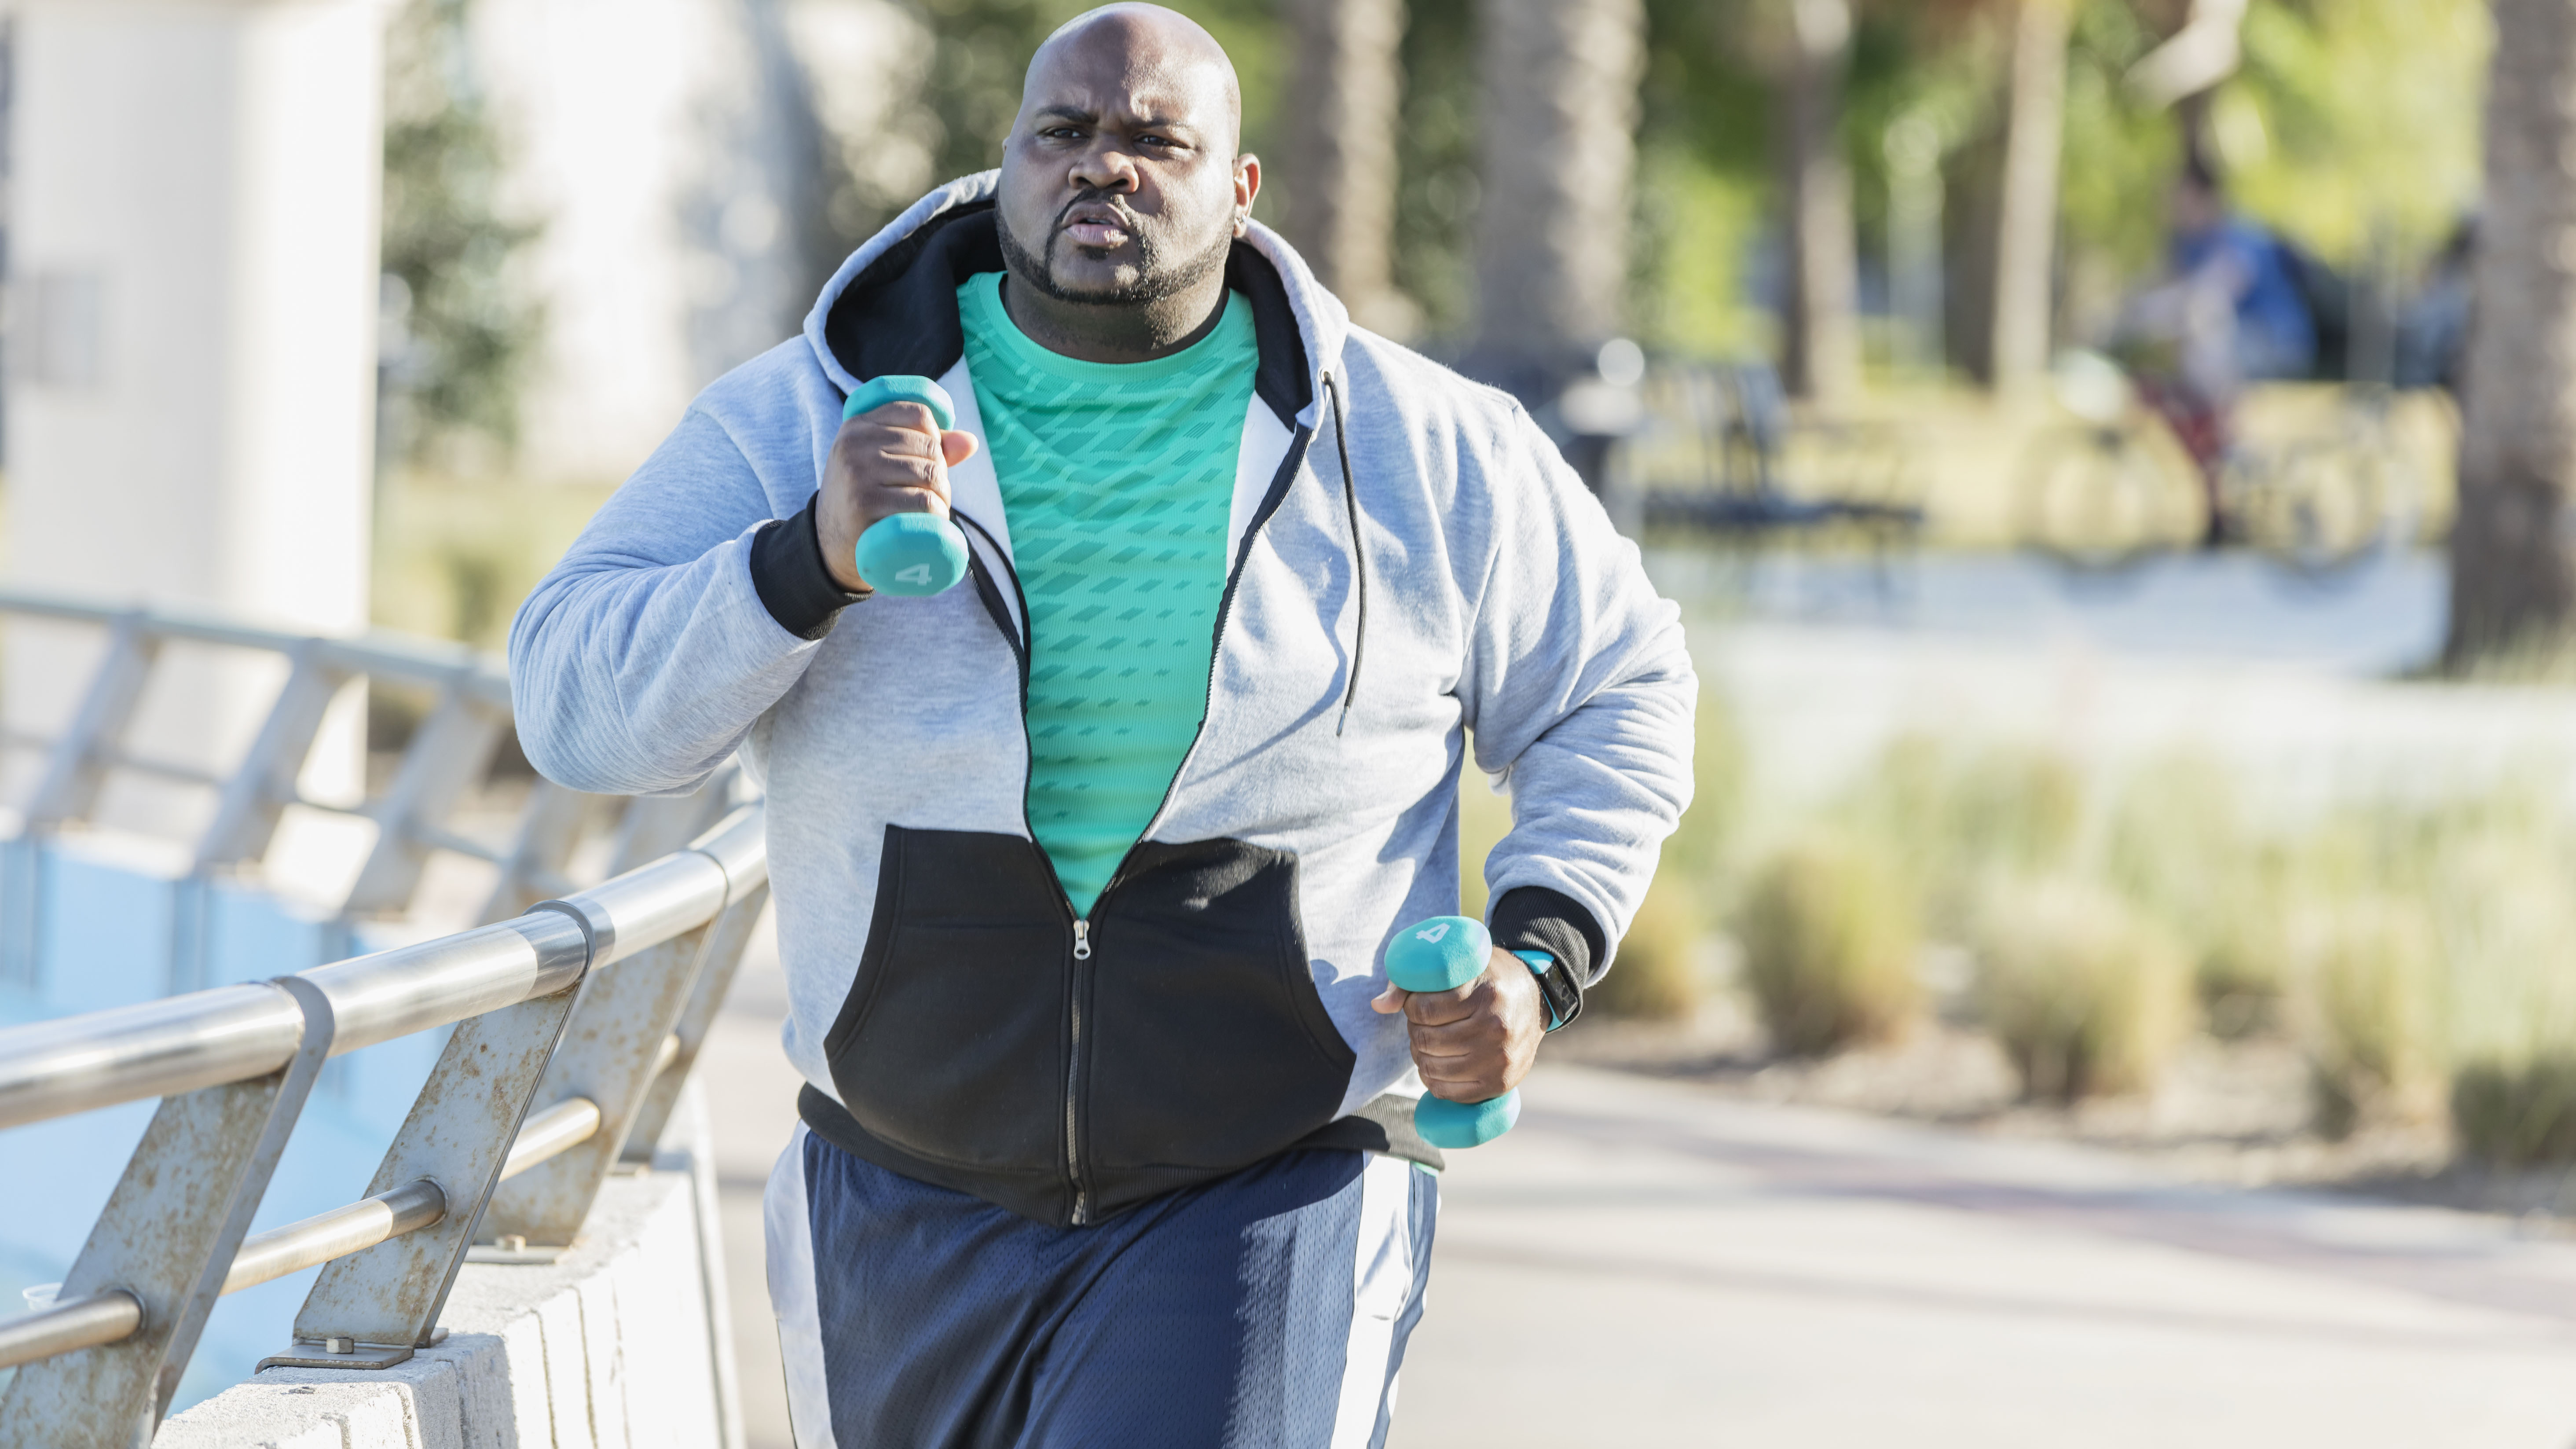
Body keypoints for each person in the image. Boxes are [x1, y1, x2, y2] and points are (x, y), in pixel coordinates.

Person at [507, 6, 1696, 1445]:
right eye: (1063, 133)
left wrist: (1538, 955)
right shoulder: (804, 416)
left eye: (1154, 138)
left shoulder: (1425, 446)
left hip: (1271, 1181)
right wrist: (801, 559)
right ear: (1004, 164)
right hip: (894, 1190)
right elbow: (572, 706)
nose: (1104, 168)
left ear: (1239, 186)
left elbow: (1616, 688)